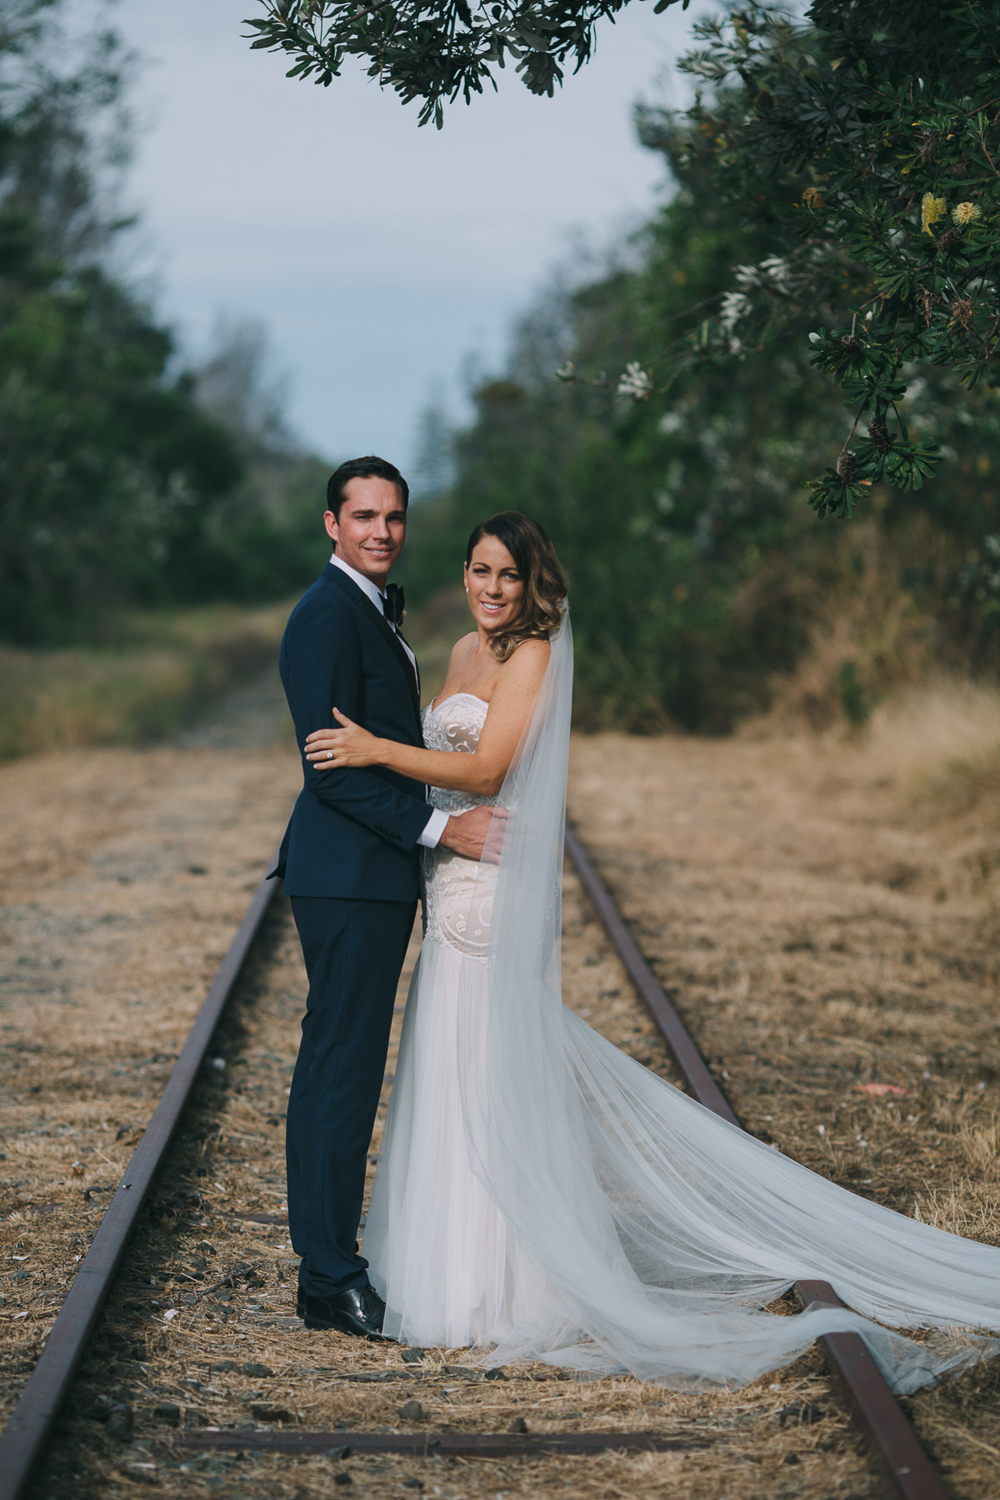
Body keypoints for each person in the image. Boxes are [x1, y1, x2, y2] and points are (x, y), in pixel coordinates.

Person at [303, 509, 1000, 1390]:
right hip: (449, 884)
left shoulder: (534, 657)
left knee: (483, 1059)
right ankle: (442, 1273)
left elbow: (484, 772)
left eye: (508, 577)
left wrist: (374, 750)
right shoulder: (458, 655)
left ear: (532, 585)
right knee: (445, 1059)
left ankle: (501, 1286)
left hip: (488, 886)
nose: (489, 589)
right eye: (479, 571)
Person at [272, 455, 496, 1340]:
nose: (380, 532)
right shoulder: (323, 616)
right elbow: (330, 771)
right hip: (347, 876)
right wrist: (446, 833)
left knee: (346, 1067)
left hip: (369, 877)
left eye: (393, 518)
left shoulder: (369, 609)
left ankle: (328, 1266)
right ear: (332, 524)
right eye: (363, 517)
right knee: (338, 1068)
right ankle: (327, 1274)